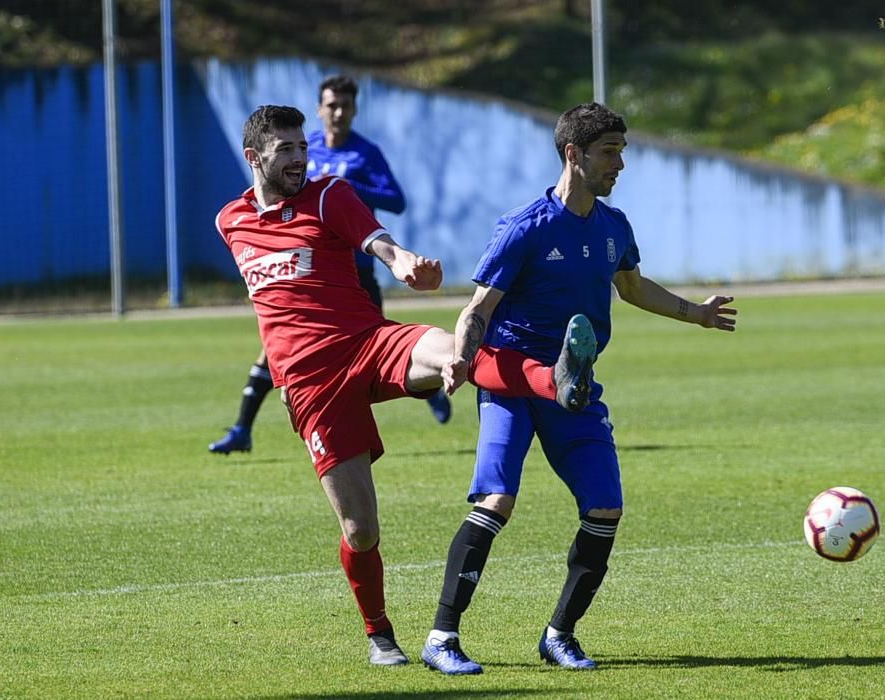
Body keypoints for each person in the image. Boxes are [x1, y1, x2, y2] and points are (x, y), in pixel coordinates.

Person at [215, 104, 600, 666]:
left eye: (303, 147)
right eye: (286, 151)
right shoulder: (230, 221)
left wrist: (403, 264)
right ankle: (380, 636)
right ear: (255, 158)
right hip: (310, 384)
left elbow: (379, 243)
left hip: (365, 343)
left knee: (452, 346)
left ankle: (556, 379)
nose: (301, 158)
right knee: (360, 529)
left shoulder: (329, 196)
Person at [420, 102, 738, 675]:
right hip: (514, 380)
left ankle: (559, 635)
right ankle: (442, 637)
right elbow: (476, 310)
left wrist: (696, 313)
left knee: (606, 507)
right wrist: (460, 360)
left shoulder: (614, 226)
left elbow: (632, 286)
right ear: (574, 154)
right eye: (609, 152)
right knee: (496, 501)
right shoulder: (525, 227)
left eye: (621, 151)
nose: (620, 164)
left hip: (577, 389)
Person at [209, 75, 450, 455]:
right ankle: (242, 427)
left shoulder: (361, 156)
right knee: (274, 350)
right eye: (331, 105)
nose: (338, 113)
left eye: (346, 106)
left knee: (385, 352)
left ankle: (435, 385)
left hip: (358, 270)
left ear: (354, 110)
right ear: (320, 109)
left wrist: (348, 183)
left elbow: (396, 200)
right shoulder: (238, 213)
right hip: (306, 282)